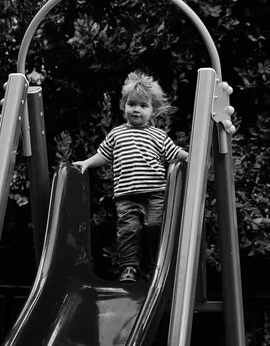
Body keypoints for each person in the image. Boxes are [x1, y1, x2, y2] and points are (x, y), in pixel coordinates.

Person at [73, 71, 188, 283]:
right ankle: (129, 268)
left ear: (152, 111)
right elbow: (103, 155)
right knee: (128, 230)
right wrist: (87, 163)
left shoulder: (158, 136)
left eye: (143, 106)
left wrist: (192, 157)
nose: (137, 109)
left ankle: (157, 263)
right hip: (126, 195)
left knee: (155, 225)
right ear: (124, 105)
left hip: (155, 193)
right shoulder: (117, 134)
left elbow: (175, 153)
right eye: (132, 104)